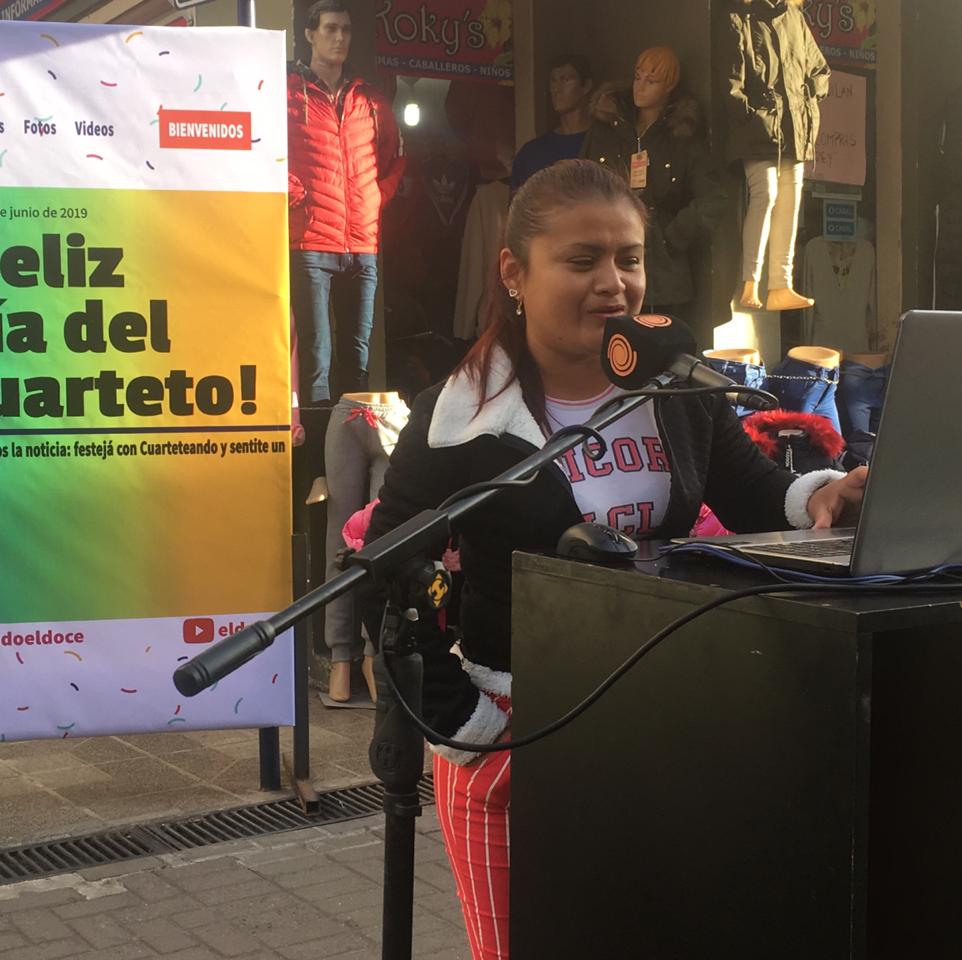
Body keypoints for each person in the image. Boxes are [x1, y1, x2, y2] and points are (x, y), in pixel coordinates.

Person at [363, 159, 867, 960]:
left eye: (629, 259)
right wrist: (466, 723)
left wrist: (825, 494)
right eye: (582, 260)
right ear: (514, 274)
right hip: (509, 745)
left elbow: (751, 489)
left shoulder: (674, 385)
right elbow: (386, 574)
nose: (614, 283)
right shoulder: (460, 416)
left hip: (652, 727)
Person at [287, 0, 404, 404]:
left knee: (358, 361)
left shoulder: (369, 100)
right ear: (309, 34)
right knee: (316, 361)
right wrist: (294, 192)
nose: (339, 38)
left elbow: (393, 160)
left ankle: (351, 459)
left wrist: (373, 202)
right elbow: (260, 150)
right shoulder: (289, 92)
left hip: (362, 245)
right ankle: (317, 462)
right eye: (330, 28)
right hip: (311, 242)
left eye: (346, 30)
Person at [581, 46, 727, 320]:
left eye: (652, 80)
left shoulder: (681, 136)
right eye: (638, 77)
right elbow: (580, 185)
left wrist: (671, 237)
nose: (641, 86)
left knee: (657, 347)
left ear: (669, 85)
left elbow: (713, 197)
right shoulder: (606, 127)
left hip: (663, 275)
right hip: (608, 259)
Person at [722, 0, 830, 311]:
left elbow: (819, 68)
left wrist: (809, 99)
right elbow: (731, 83)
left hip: (794, 125)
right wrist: (753, 116)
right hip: (762, 128)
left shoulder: (793, 16)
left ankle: (781, 284)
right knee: (765, 196)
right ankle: (750, 282)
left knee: (790, 201)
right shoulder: (739, 18)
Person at [511, 54, 595, 191]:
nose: (557, 89)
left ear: (585, 86)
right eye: (553, 81)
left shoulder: (603, 144)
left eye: (566, 80)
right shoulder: (532, 152)